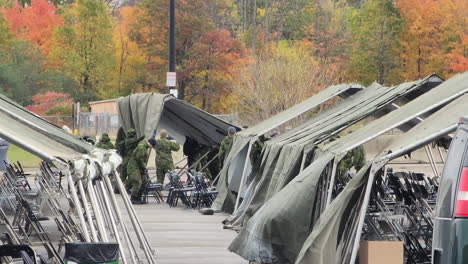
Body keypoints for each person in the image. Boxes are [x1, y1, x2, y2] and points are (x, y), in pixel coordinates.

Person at [126, 138, 157, 204]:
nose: (151, 148)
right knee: (138, 182)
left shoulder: (144, 147)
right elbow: (139, 158)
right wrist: (144, 166)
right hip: (133, 168)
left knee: (143, 182)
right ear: (150, 144)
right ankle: (133, 198)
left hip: (139, 168)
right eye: (152, 146)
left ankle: (138, 198)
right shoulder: (141, 147)